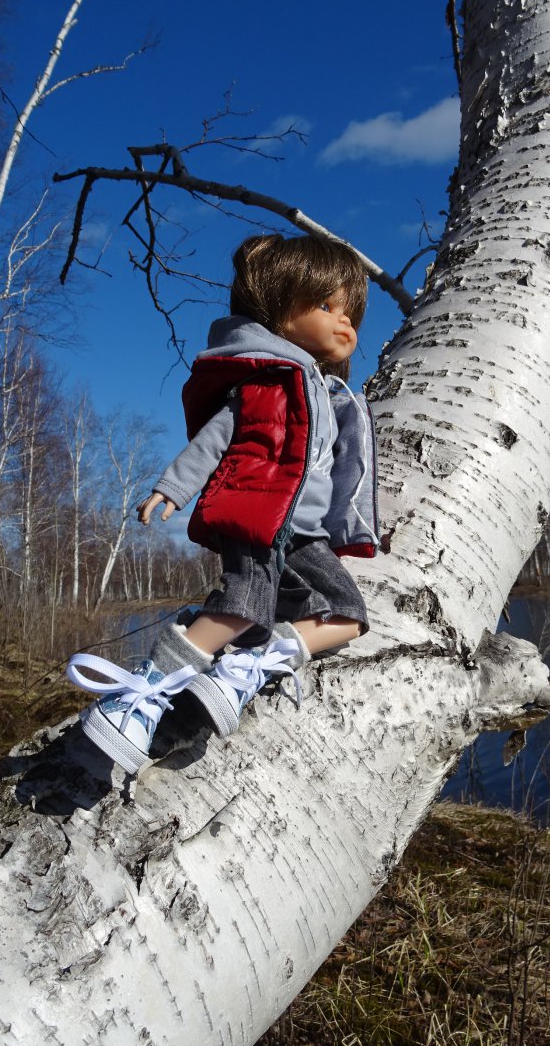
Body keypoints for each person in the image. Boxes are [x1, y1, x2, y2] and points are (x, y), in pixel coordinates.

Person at [67, 234, 378, 775]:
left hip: (305, 536)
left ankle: (253, 663)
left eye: (350, 311)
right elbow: (215, 441)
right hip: (256, 519)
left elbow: (342, 474)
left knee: (348, 613)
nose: (344, 321)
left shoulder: (334, 398)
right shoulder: (265, 385)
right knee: (245, 600)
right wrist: (172, 488)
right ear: (278, 312)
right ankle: (144, 694)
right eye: (326, 306)